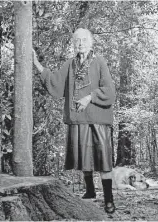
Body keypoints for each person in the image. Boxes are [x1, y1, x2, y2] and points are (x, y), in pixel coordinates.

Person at [33, 28, 116, 214]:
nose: (80, 43)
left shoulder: (99, 62)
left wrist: (89, 97)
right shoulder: (70, 64)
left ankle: (109, 199)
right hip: (78, 119)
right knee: (84, 157)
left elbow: (110, 92)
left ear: (91, 42)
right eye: (77, 40)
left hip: (98, 119)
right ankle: (90, 190)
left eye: (84, 40)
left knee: (103, 160)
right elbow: (55, 82)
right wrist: (36, 64)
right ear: (73, 43)